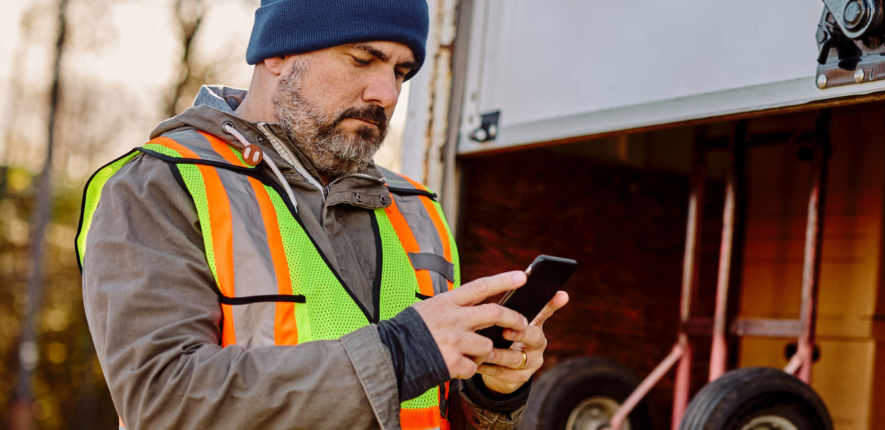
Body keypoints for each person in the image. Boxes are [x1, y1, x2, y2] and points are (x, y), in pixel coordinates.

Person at [75, 0, 568, 429]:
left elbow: (429, 414)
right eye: (364, 59)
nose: (388, 94)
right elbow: (163, 403)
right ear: (279, 52)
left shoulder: (418, 209)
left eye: (400, 71)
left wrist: (493, 394)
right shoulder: (161, 185)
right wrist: (401, 354)